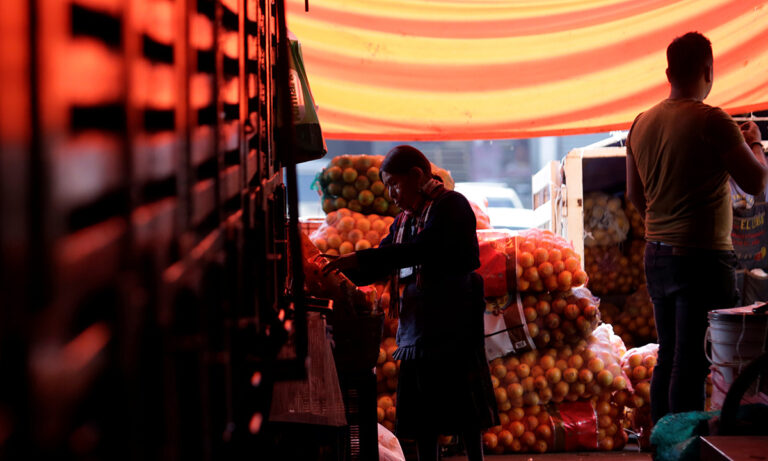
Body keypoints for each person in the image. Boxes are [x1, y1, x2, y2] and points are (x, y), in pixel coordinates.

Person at [625, 31, 767, 424]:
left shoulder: (641, 123)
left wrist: (663, 225)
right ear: (709, 70)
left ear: (668, 72)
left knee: (669, 355)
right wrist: (755, 144)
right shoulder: (712, 120)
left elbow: (635, 196)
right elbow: (755, 184)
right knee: (690, 362)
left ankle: (661, 442)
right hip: (702, 259)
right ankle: (682, 447)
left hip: (657, 255)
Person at [323, 145, 498, 461]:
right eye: (386, 186)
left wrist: (360, 257)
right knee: (423, 419)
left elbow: (423, 249)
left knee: (466, 414)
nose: (390, 193)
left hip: (454, 327)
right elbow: (382, 262)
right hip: (418, 329)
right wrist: (341, 273)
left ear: (417, 176)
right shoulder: (403, 221)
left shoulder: (451, 206)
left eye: (394, 183)